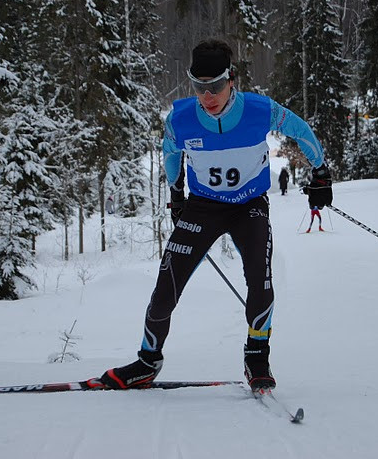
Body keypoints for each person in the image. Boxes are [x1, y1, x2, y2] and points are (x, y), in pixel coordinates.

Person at [95, 39, 332, 392]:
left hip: (249, 206)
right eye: (199, 86)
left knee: (260, 283)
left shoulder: (259, 109)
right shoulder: (181, 117)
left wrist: (321, 172)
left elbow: (299, 130)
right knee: (165, 290)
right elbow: (171, 153)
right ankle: (147, 362)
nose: (208, 95)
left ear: (231, 79)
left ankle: (256, 358)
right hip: (203, 207)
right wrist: (176, 194)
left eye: (216, 85)